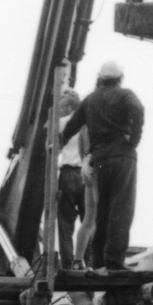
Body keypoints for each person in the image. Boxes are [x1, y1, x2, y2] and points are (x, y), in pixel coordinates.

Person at [63, 60, 144, 272]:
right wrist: (133, 141)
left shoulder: (90, 99)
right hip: (123, 157)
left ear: (101, 77)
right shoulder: (125, 95)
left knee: (102, 211)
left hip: (100, 160)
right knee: (121, 210)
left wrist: (59, 142)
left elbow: (73, 125)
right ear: (120, 77)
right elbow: (138, 110)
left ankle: (98, 261)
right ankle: (114, 262)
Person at [56, 90, 89, 268]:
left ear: (69, 106)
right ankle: (87, 262)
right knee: (88, 220)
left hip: (68, 175)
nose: (60, 110)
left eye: (62, 106)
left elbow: (51, 149)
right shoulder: (87, 124)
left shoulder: (61, 123)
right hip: (86, 174)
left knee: (65, 223)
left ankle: (68, 265)